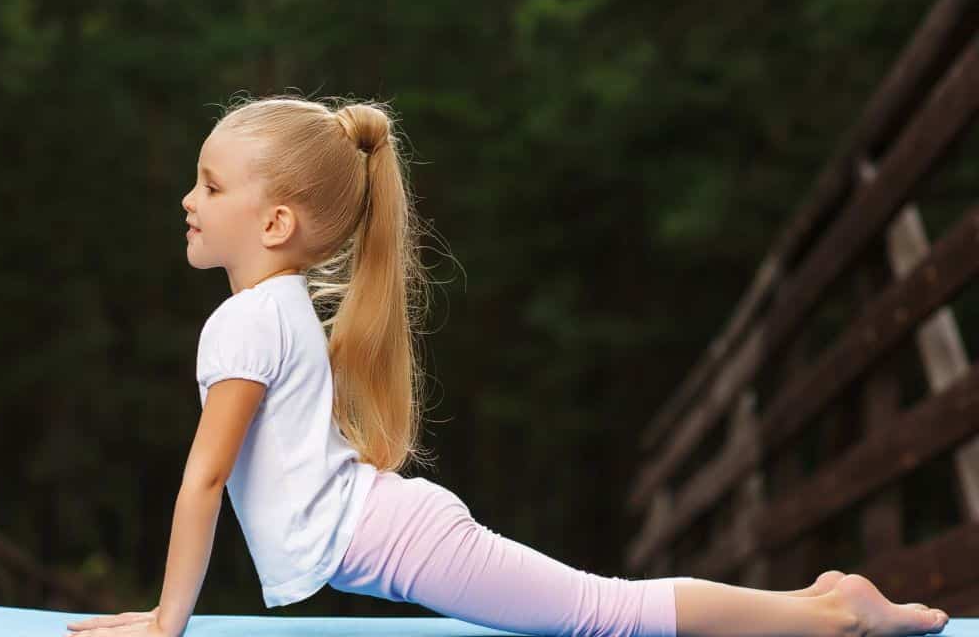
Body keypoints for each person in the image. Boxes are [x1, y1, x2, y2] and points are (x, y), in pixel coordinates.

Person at [64, 95, 951, 637]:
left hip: (397, 539)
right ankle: (824, 599)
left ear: (275, 225)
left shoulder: (245, 322)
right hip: (393, 527)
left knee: (602, 615)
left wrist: (165, 621)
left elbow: (205, 478)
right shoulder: (276, 306)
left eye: (211, 184)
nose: (188, 198)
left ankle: (835, 615)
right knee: (599, 607)